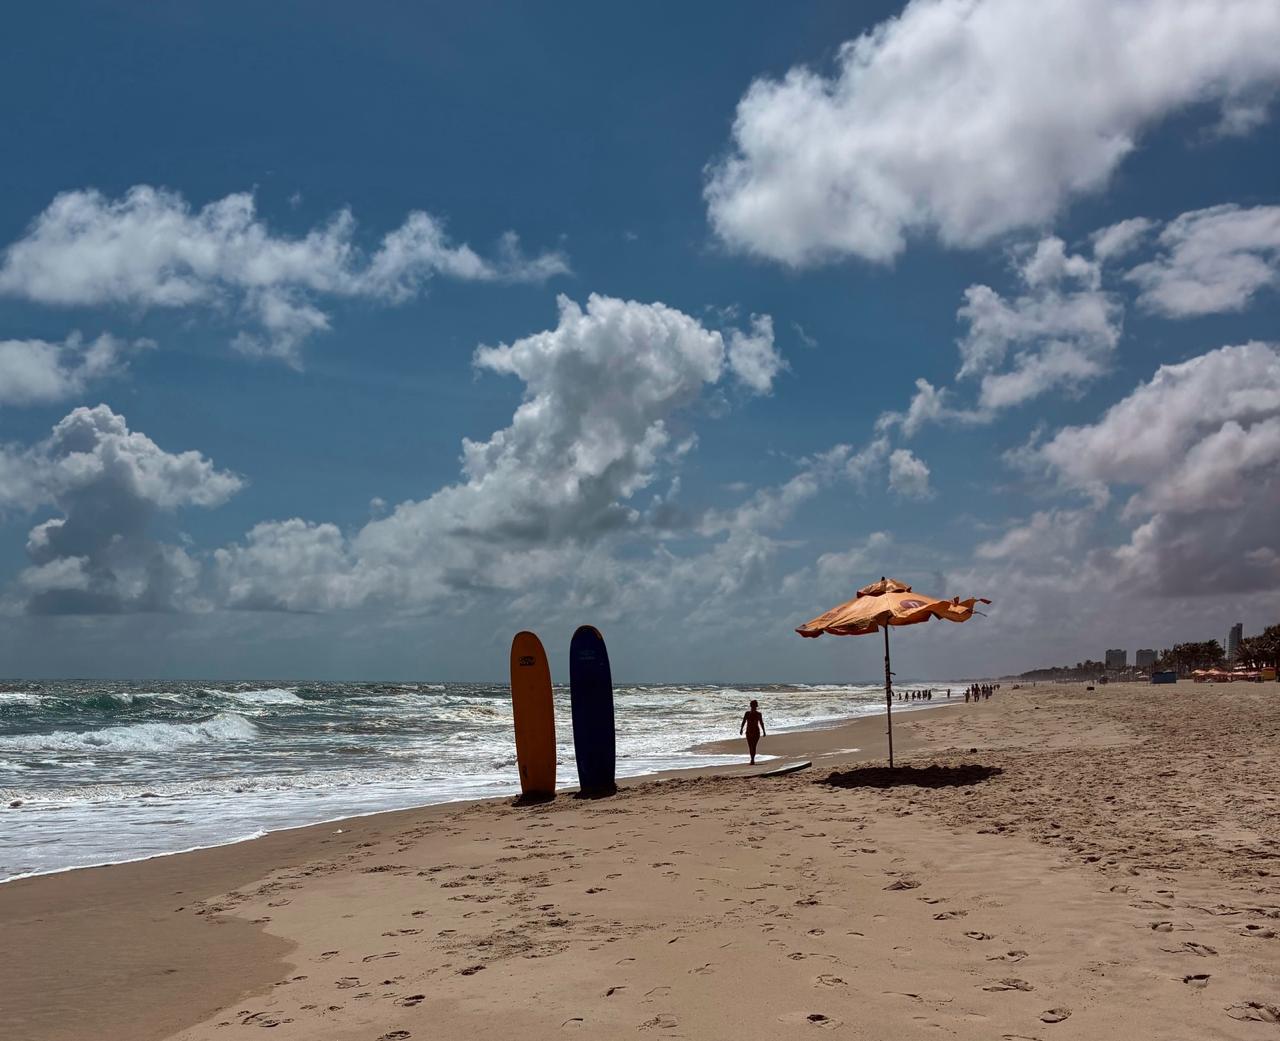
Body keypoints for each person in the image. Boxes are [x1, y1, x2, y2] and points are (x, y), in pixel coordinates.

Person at [740, 699, 766, 764]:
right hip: (748, 732)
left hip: (756, 732)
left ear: (756, 706)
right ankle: (752, 759)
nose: (753, 707)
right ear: (751, 706)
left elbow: (761, 723)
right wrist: (741, 729)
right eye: (752, 706)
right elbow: (743, 722)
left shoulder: (758, 714)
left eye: (754, 706)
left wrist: (764, 731)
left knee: (753, 746)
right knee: (750, 746)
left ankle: (752, 759)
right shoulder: (747, 713)